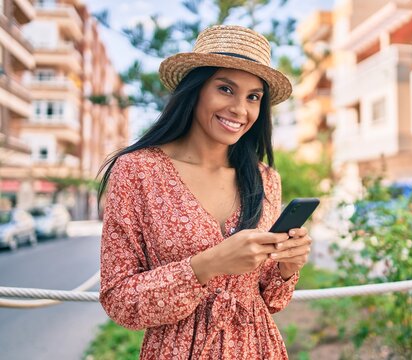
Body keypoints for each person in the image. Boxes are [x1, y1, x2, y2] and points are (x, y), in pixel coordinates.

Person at [98, 25, 313, 359]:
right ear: (195, 89)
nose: (240, 110)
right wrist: (206, 265)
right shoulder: (137, 171)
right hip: (176, 350)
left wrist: (289, 265)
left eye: (253, 97)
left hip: (257, 349)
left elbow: (271, 301)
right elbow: (119, 300)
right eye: (226, 89)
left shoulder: (265, 178)